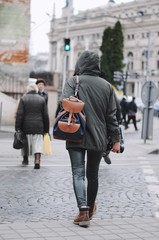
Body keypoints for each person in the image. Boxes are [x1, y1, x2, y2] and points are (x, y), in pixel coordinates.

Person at [58, 50, 121, 227]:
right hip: (99, 137)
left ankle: (83, 211)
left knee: (78, 173)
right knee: (92, 175)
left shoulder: (74, 81)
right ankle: (91, 208)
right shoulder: (107, 86)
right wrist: (116, 139)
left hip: (76, 133)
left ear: (81, 63)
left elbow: (62, 103)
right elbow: (112, 116)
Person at [15, 83, 49, 169]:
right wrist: (46, 129)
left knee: (25, 143)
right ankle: (37, 160)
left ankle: (25, 159)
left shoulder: (23, 99)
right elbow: (45, 115)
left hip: (25, 125)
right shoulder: (41, 99)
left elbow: (20, 114)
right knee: (38, 143)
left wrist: (17, 127)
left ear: (28, 90)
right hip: (39, 125)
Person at [99, 69, 122, 165]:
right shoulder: (108, 88)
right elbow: (117, 106)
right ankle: (106, 152)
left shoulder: (90, 86)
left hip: (94, 120)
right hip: (107, 120)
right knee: (107, 138)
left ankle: (102, 152)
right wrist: (118, 120)